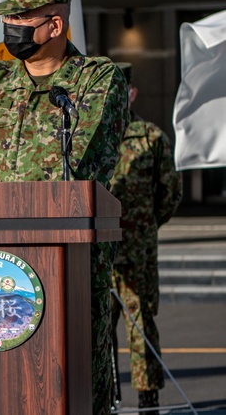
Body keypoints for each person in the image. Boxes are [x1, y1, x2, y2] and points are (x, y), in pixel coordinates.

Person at [0, 0, 129, 415]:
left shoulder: (96, 81)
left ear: (54, 25)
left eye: (22, 19)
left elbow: (86, 163)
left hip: (72, 266)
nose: (11, 29)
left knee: (72, 387)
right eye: (9, 19)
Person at [109, 62, 183, 409]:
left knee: (141, 324)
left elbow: (170, 192)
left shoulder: (151, 137)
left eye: (118, 92)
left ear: (132, 93)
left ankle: (147, 397)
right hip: (98, 252)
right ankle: (105, 393)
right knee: (96, 326)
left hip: (137, 249)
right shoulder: (85, 137)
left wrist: (147, 225)